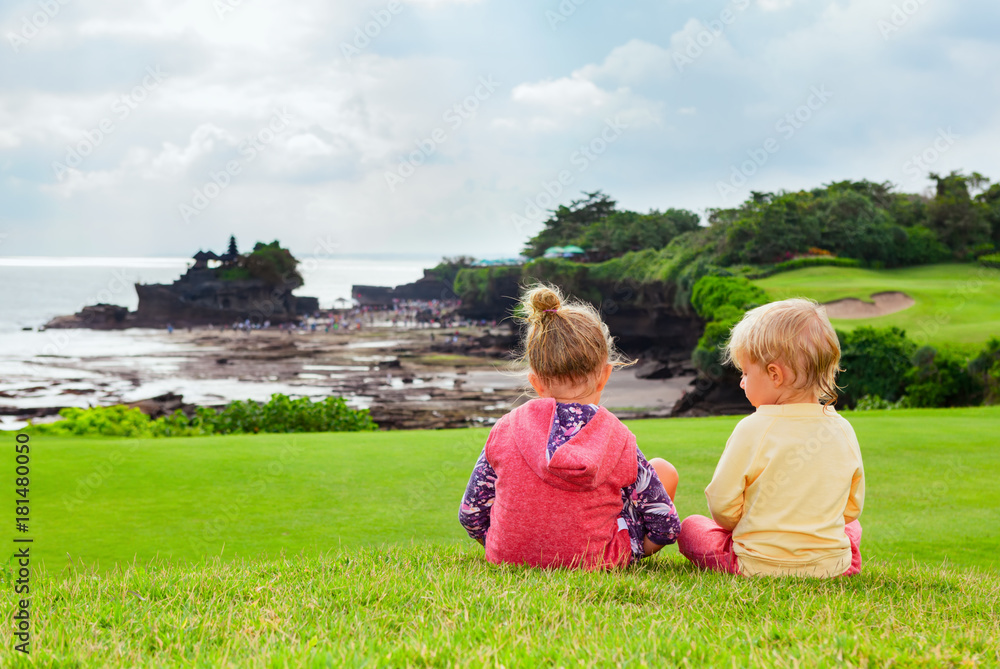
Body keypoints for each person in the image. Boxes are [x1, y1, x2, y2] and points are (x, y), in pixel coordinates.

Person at [458, 283, 680, 570]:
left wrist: (502, 544)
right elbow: (666, 524)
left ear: (535, 382)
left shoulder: (506, 427)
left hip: (508, 556)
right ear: (605, 375)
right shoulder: (619, 437)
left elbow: (471, 513)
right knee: (662, 470)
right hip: (597, 560)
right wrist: (641, 547)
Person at [678, 298, 865, 578]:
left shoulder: (752, 428)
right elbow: (851, 508)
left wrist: (747, 524)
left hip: (755, 563)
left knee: (691, 527)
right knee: (853, 528)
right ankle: (845, 563)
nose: (741, 382)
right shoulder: (842, 428)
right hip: (830, 566)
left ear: (775, 374)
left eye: (745, 373)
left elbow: (721, 505)